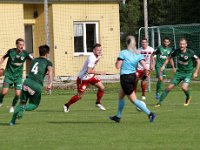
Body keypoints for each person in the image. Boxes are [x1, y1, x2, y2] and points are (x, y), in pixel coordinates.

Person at [109, 36, 156, 123]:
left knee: (133, 100)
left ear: (126, 43)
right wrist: (146, 72)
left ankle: (150, 114)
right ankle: (118, 116)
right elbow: (145, 66)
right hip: (133, 77)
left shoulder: (123, 53)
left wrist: (116, 61)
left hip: (125, 78)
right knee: (121, 95)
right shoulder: (138, 54)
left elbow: (117, 66)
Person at [9, 45, 53, 125]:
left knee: (22, 103)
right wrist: (49, 84)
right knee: (34, 105)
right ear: (47, 53)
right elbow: (50, 72)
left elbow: (36, 69)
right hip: (36, 85)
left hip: (27, 82)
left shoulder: (34, 60)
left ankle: (12, 121)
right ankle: (23, 108)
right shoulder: (48, 62)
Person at [155, 38, 200, 107]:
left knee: (184, 88)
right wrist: (163, 66)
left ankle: (188, 97)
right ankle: (159, 102)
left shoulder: (190, 52)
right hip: (179, 73)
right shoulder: (177, 51)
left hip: (188, 73)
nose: (181, 45)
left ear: (186, 45)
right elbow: (169, 57)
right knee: (169, 87)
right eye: (180, 44)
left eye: (183, 44)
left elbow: (198, 60)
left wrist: (196, 72)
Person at [63, 43, 106, 112]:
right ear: (94, 51)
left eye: (100, 50)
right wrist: (100, 72)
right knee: (79, 96)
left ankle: (98, 102)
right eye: (98, 50)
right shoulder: (91, 58)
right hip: (83, 78)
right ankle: (67, 105)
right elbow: (89, 71)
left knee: (102, 88)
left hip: (91, 77)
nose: (100, 51)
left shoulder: (98, 56)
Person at [0, 38, 33, 113]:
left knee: (18, 94)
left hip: (18, 77)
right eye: (20, 44)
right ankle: (0, 101)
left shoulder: (25, 53)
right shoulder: (11, 51)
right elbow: (3, 57)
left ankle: (12, 106)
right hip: (8, 75)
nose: (21, 46)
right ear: (17, 45)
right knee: (4, 92)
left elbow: (33, 60)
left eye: (23, 45)